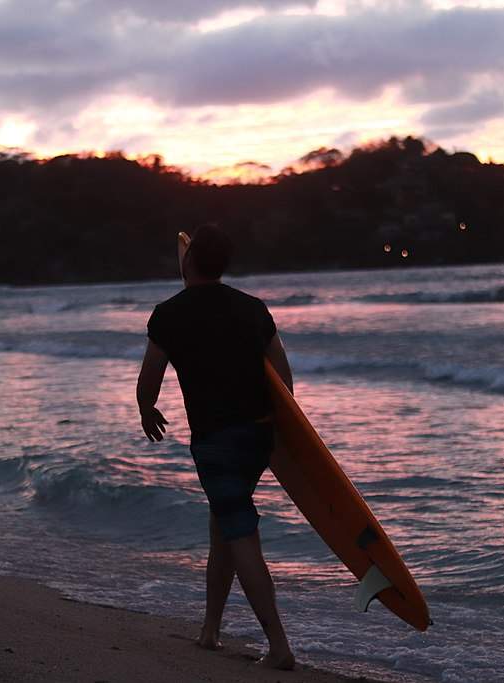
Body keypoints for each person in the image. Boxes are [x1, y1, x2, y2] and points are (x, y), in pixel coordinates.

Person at [136, 224, 296, 670]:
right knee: (224, 525)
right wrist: (280, 439)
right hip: (257, 437)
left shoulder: (169, 313)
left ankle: (280, 646)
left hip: (215, 441)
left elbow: (149, 379)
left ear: (186, 263)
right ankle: (210, 630)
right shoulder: (253, 308)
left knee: (240, 531)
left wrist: (147, 410)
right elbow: (284, 377)